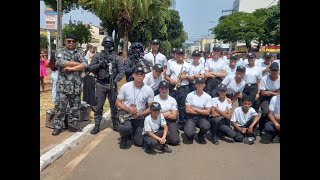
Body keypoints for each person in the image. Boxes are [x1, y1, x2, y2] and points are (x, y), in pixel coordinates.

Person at [87, 36, 124, 134]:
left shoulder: (117, 57)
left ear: (113, 45)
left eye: (110, 44)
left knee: (114, 106)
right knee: (99, 106)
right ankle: (97, 125)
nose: (108, 46)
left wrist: (115, 81)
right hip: (100, 84)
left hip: (112, 84)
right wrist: (100, 64)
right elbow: (90, 68)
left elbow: (121, 71)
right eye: (106, 44)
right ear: (103, 44)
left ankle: (115, 124)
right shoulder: (98, 56)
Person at [52, 34, 88, 135]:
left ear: (75, 42)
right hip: (64, 85)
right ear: (65, 42)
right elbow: (60, 62)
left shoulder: (80, 52)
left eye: (73, 41)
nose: (71, 43)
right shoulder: (60, 51)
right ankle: (58, 126)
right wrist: (77, 64)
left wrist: (71, 67)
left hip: (76, 86)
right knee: (60, 107)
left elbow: (85, 64)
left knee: (75, 107)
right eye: (69, 41)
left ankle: (73, 125)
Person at [116, 66, 154, 149]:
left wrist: (141, 114)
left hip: (139, 114)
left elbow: (151, 108)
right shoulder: (125, 86)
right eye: (137, 74)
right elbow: (117, 102)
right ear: (133, 75)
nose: (139, 76)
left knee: (139, 142)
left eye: (141, 74)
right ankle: (124, 137)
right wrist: (128, 109)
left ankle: (132, 131)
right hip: (126, 113)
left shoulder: (149, 89)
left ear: (144, 76)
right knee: (125, 127)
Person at [165, 48, 193, 128]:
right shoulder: (171, 64)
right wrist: (171, 80)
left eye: (182, 54)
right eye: (179, 54)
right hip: (173, 86)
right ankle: (172, 122)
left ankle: (182, 123)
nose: (180, 56)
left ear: (184, 55)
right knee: (172, 105)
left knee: (182, 106)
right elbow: (166, 76)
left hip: (184, 87)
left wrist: (186, 76)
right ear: (176, 55)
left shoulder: (188, 65)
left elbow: (192, 78)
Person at [184, 77, 212, 144]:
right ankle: (190, 135)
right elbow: (187, 110)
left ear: (204, 85)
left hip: (202, 118)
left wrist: (194, 108)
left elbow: (208, 112)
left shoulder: (208, 97)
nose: (200, 85)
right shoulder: (190, 95)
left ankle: (201, 135)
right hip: (191, 117)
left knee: (206, 126)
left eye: (202, 83)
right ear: (195, 85)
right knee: (189, 133)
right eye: (198, 83)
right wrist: (202, 111)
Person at [154, 81, 180, 145]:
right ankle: (163, 135)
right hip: (157, 121)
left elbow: (174, 116)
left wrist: (160, 114)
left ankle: (165, 136)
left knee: (175, 141)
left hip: (169, 121)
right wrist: (169, 112)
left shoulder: (172, 100)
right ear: (159, 89)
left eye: (166, 89)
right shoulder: (154, 99)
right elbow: (154, 115)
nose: (164, 90)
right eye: (162, 88)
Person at [258, 62, 280, 135]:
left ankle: (273, 127)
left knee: (277, 113)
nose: (274, 72)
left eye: (276, 70)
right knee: (265, 111)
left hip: (277, 97)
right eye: (272, 70)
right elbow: (263, 92)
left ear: (278, 70)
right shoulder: (265, 78)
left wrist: (269, 91)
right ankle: (261, 128)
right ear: (269, 70)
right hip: (266, 98)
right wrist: (275, 93)